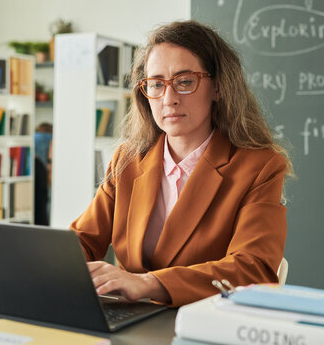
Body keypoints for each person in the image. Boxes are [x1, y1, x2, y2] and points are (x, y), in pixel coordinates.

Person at [69, 20, 293, 307]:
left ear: (218, 88)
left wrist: (148, 283)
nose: (168, 98)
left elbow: (253, 268)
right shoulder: (127, 160)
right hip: (130, 322)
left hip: (205, 324)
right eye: (156, 84)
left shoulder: (260, 166)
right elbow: (82, 241)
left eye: (185, 82)